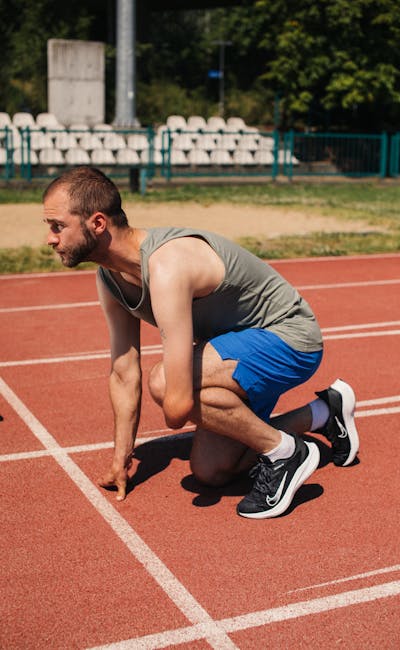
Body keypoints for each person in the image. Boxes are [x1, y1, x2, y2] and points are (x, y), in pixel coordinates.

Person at [42, 166, 359, 519]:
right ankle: (323, 413)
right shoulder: (110, 279)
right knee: (211, 471)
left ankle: (287, 453)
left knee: (166, 384)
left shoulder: (167, 265)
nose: (51, 239)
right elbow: (123, 371)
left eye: (57, 226)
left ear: (97, 223)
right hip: (231, 353)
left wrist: (181, 405)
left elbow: (176, 408)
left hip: (289, 339)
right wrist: (121, 459)